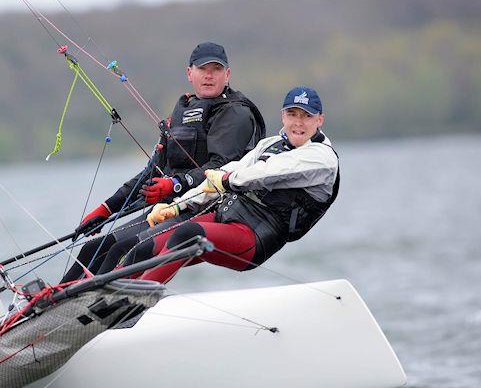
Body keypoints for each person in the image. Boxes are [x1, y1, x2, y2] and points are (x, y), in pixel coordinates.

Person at [60, 42, 265, 283]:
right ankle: (47, 306)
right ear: (190, 73)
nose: (209, 75)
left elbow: (219, 167)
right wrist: (107, 208)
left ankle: (95, 308)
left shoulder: (235, 113)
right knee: (94, 248)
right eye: (202, 69)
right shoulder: (182, 110)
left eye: (216, 69)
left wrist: (175, 184)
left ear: (227, 74)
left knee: (123, 251)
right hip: (165, 208)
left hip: (204, 207)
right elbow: (152, 171)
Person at [122, 86, 339, 283]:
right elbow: (229, 170)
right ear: (283, 116)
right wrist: (177, 206)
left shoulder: (323, 158)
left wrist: (226, 180)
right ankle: (97, 294)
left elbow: (267, 172)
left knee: (188, 234)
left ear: (319, 120)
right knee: (145, 246)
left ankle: (129, 302)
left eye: (306, 116)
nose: (298, 122)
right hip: (226, 215)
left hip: (255, 237)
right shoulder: (270, 144)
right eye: (292, 114)